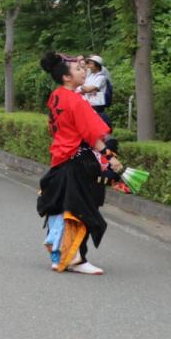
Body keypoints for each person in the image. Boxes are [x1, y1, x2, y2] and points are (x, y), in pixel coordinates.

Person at [38, 52, 122, 275]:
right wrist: (110, 157)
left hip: (60, 157)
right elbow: (93, 135)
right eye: (78, 69)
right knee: (81, 209)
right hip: (78, 160)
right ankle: (76, 259)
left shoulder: (55, 96)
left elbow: (51, 127)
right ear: (66, 77)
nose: (83, 71)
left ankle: (58, 255)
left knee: (61, 208)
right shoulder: (76, 100)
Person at [80, 55, 111, 127]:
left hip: (97, 105)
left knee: (96, 124)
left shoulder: (101, 77)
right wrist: (85, 89)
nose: (88, 66)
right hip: (89, 103)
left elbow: (88, 89)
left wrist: (85, 89)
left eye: (91, 64)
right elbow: (83, 88)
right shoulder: (90, 76)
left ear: (97, 65)